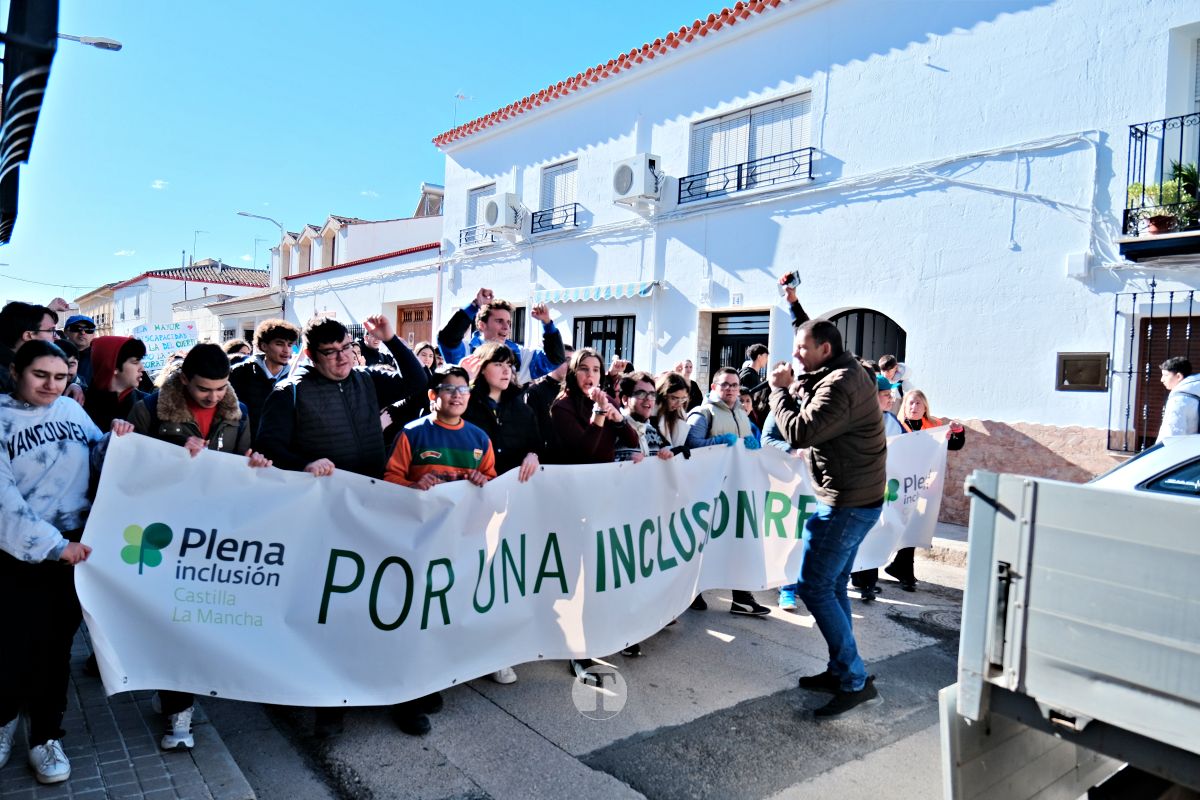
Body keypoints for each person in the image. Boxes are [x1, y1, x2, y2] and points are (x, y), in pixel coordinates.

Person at [253, 314, 430, 737]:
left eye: (346, 350)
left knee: (388, 602)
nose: (341, 359)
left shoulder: (367, 379)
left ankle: (400, 693)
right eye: (330, 353)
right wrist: (305, 463)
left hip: (375, 504)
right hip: (323, 517)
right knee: (333, 611)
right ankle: (329, 703)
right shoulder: (289, 393)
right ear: (311, 356)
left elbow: (417, 385)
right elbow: (269, 448)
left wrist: (390, 339)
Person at [0, 340, 133, 785]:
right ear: (17, 371)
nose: (51, 385)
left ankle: (45, 736)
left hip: (74, 549)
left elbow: (97, 458)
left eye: (60, 377)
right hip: (19, 555)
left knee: (54, 650)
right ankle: (4, 723)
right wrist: (54, 545)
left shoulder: (71, 411)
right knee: (12, 647)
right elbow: (3, 501)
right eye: (41, 375)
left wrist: (116, 438)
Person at [126, 343, 267, 750]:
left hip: (212, 537)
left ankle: (174, 696)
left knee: (196, 621)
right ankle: (179, 715)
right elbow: (129, 474)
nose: (214, 397)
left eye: (221, 388)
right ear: (184, 379)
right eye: (206, 389)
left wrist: (253, 465)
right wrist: (176, 462)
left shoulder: (238, 413)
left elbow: (241, 468)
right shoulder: (149, 410)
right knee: (172, 623)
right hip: (164, 535)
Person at [768, 318, 887, 719]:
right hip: (855, 498)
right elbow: (811, 332)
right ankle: (842, 669)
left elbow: (801, 432)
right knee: (832, 583)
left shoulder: (839, 385)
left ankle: (854, 678)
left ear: (824, 349)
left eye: (802, 348)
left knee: (814, 587)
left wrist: (780, 391)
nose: (795, 354)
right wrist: (793, 305)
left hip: (846, 503)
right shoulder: (841, 367)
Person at [384, 365, 498, 702]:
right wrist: (413, 485)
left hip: (460, 541)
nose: (458, 395)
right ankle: (410, 692)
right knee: (417, 613)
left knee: (448, 608)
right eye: (449, 389)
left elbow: (493, 483)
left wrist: (483, 482)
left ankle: (436, 677)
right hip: (419, 540)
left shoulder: (479, 438)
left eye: (463, 389)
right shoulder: (411, 433)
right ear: (433, 395)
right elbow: (388, 480)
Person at [684, 366, 765, 616]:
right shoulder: (702, 414)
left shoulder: (741, 414)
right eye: (725, 384)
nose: (730, 389)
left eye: (734, 385)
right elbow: (690, 446)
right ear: (714, 388)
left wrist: (754, 446)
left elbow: (749, 449)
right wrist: (717, 443)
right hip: (707, 491)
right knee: (702, 543)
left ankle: (741, 598)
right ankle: (691, 593)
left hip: (735, 491)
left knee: (736, 543)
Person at [880, 389, 966, 593]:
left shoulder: (934, 427)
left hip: (919, 487)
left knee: (913, 526)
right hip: (894, 486)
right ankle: (870, 570)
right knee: (887, 525)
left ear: (925, 406)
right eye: (910, 403)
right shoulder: (896, 426)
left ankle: (903, 569)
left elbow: (953, 445)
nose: (914, 407)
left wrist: (959, 431)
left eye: (918, 403)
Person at [849, 375, 907, 602]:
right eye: (886, 395)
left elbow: (908, 446)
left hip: (882, 488)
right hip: (858, 488)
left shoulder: (892, 421)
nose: (891, 398)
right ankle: (860, 578)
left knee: (875, 532)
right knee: (862, 534)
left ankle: (868, 581)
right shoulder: (856, 420)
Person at [437, 288, 565, 383]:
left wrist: (547, 323)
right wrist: (474, 306)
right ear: (481, 325)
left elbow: (554, 359)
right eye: (499, 321)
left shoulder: (520, 355)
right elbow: (447, 338)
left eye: (509, 323)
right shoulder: (466, 350)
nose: (506, 327)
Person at [462, 342, 542, 482]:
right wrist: (463, 380)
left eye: (509, 364)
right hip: (470, 489)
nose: (506, 370)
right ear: (481, 368)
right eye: (498, 364)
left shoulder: (523, 410)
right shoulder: (464, 404)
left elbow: (537, 445)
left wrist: (533, 455)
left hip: (512, 489)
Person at [228, 319, 300, 445]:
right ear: (263, 346)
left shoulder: (295, 378)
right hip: (243, 450)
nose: (286, 350)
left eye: (289, 345)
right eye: (279, 344)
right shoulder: (239, 373)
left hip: (280, 451)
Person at [84, 336, 148, 434]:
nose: (142, 368)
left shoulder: (146, 404)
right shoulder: (81, 403)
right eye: (135, 362)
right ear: (113, 366)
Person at [0, 302, 58, 394]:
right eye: (51, 331)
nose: (57, 337)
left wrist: (74, 384)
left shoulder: (24, 363)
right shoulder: (5, 377)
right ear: (28, 335)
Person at [1157, 357, 1200, 440]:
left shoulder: (1178, 400)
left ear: (1178, 376)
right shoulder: (1195, 394)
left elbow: (1172, 433)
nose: (1162, 379)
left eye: (1166, 375)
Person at [652, 371, 692, 450]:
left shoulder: (681, 416)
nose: (679, 404)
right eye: (674, 398)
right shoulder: (650, 416)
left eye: (682, 399)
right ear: (663, 395)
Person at [61, 315, 96, 387]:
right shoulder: (55, 354)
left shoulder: (100, 358)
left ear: (93, 334)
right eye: (76, 328)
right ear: (66, 332)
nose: (83, 332)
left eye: (88, 329)